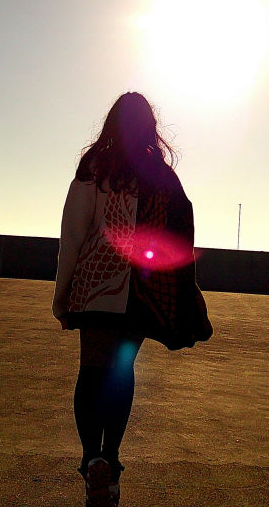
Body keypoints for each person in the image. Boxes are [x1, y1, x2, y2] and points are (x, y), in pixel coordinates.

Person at [52, 92, 212, 507]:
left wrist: (62, 294)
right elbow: (180, 236)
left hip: (95, 287)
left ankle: (91, 461)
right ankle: (113, 459)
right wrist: (179, 290)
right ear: (149, 127)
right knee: (122, 372)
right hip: (141, 292)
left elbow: (73, 236)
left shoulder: (94, 168)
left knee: (91, 372)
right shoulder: (161, 175)